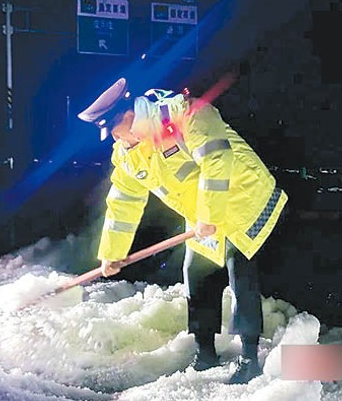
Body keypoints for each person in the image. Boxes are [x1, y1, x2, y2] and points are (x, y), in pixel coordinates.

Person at [77, 77, 288, 384]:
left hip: (243, 198)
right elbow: (124, 202)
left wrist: (210, 215)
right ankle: (205, 352)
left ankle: (248, 357)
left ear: (127, 116)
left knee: (239, 272)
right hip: (204, 215)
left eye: (113, 131)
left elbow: (218, 161)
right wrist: (112, 254)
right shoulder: (128, 152)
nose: (114, 140)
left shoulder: (186, 114)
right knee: (196, 273)